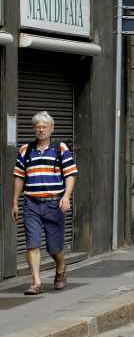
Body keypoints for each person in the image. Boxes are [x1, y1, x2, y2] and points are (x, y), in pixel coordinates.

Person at [11, 112, 77, 295]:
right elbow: (19, 177)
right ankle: (36, 283)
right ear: (34, 129)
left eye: (44, 126)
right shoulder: (25, 150)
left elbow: (70, 174)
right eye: (38, 127)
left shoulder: (60, 148)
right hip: (31, 203)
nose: (41, 129)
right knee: (32, 243)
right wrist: (15, 202)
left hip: (54, 204)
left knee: (54, 247)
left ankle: (61, 267)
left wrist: (66, 196)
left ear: (51, 129)